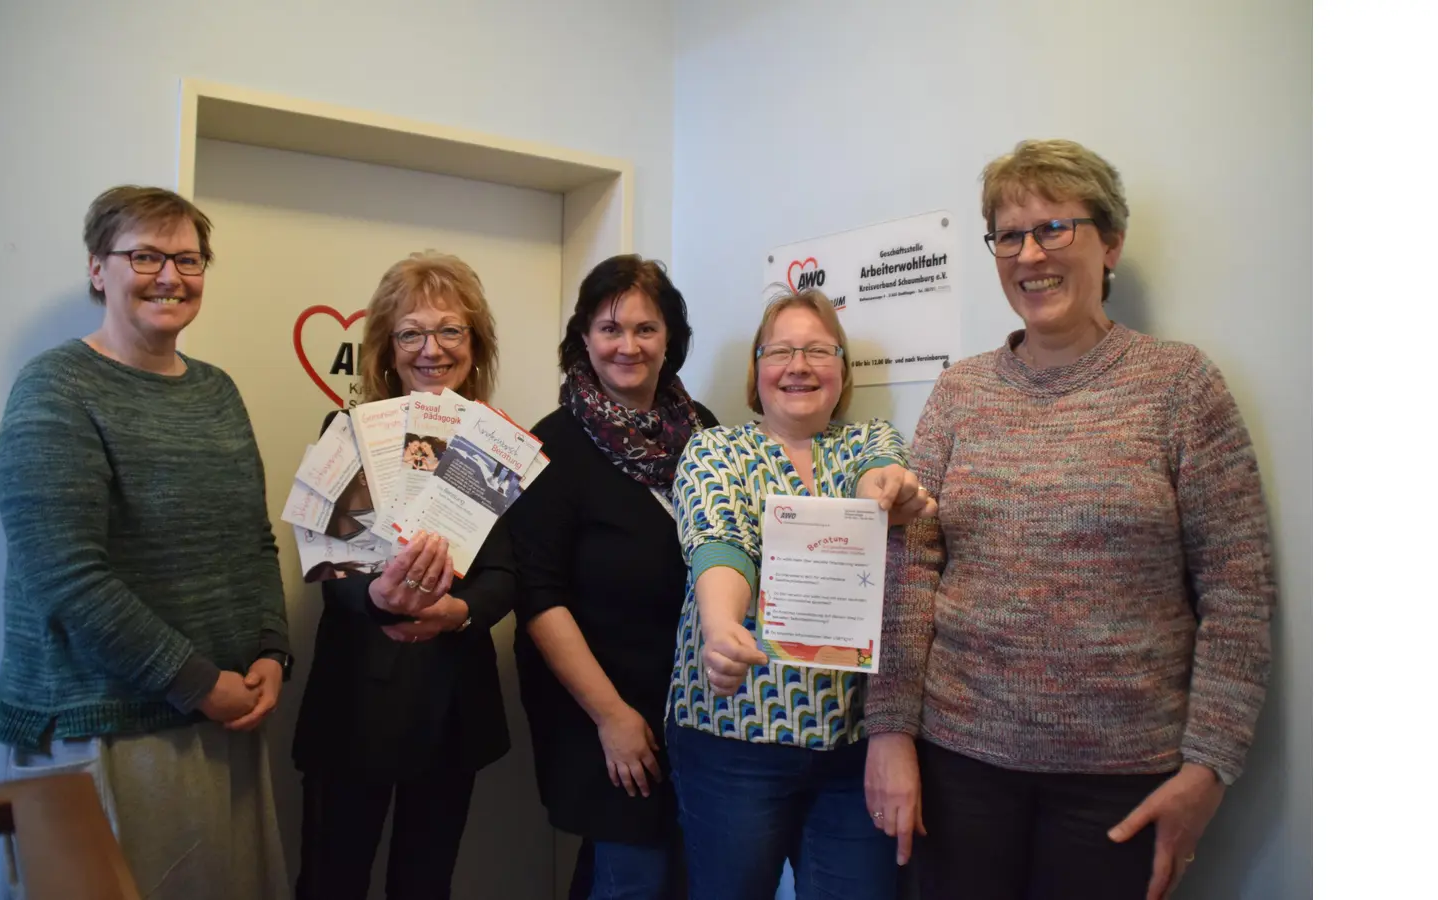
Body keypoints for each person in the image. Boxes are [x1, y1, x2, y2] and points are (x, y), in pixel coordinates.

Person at [863, 139, 1276, 900]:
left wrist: (1210, 767)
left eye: (1056, 228)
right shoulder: (960, 393)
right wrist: (888, 732)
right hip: (958, 766)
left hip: (1122, 782)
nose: (1030, 254)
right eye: (1010, 235)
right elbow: (910, 568)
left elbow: (1238, 590)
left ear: (1111, 241)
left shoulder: (1180, 385)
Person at [0, 185, 292, 899]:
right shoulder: (56, 389)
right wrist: (198, 684)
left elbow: (253, 539)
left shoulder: (217, 391)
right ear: (99, 268)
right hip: (108, 730)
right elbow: (66, 576)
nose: (170, 276)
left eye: (188, 259)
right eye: (145, 255)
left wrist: (271, 651)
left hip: (226, 719)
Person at [665, 288, 935, 900]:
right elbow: (719, 541)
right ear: (756, 369)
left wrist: (884, 496)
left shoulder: (868, 439)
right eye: (781, 350)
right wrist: (722, 627)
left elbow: (880, 473)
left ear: (842, 369)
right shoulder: (717, 449)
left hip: (851, 743)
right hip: (733, 735)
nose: (799, 365)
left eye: (819, 350)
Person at [292, 251, 517, 900]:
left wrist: (460, 612)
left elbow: (505, 572)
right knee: (332, 882)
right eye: (411, 332)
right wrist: (384, 600)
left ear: (476, 346)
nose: (432, 349)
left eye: (451, 330)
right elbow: (333, 574)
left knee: (426, 885)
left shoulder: (493, 441)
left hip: (453, 708)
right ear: (387, 349)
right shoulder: (347, 433)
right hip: (354, 706)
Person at [508, 256, 718, 899]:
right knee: (634, 868)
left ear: (670, 340)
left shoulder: (703, 429)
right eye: (609, 328)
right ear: (584, 339)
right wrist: (611, 717)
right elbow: (538, 597)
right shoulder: (552, 444)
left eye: (646, 329)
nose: (628, 346)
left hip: (690, 700)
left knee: (668, 869)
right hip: (599, 706)